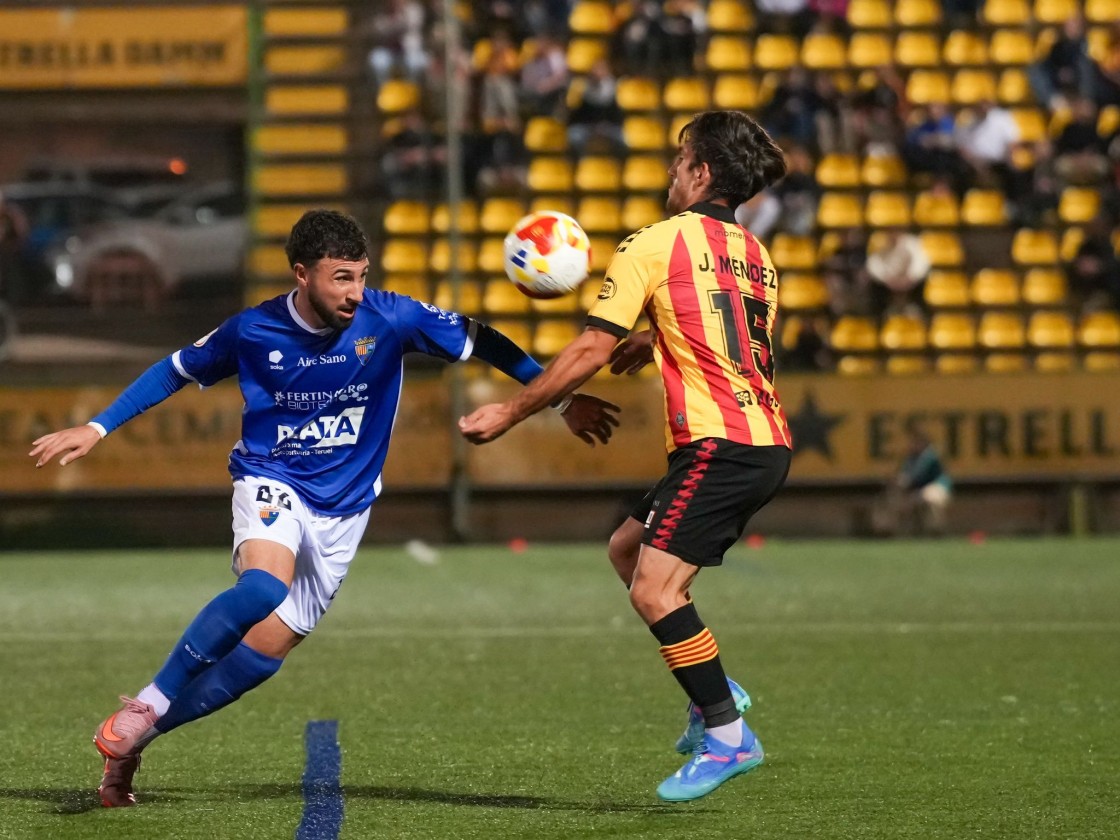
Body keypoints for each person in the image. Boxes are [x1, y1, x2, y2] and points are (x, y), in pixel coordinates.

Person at [29, 210, 619, 808]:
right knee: (262, 588)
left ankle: (135, 743)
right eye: (341, 278)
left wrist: (560, 401)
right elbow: (175, 370)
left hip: (346, 510)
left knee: (263, 657)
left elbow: (483, 340)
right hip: (271, 480)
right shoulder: (253, 330)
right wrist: (99, 427)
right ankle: (146, 703)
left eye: (361, 276)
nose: (354, 292)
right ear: (302, 274)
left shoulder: (390, 317)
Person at [460, 110, 792, 802]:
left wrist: (514, 411)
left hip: (720, 445)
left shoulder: (656, 242)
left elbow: (586, 349)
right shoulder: (756, 255)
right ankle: (713, 689)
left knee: (654, 590)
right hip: (759, 438)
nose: (673, 174)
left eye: (681, 161)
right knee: (625, 549)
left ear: (701, 172)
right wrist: (653, 341)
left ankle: (729, 735)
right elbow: (728, 335)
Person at [875, 429, 953, 537]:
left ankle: (935, 531)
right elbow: (904, 476)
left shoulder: (930, 456)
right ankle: (885, 530)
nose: (911, 444)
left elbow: (916, 476)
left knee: (930, 498)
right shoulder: (909, 457)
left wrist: (900, 481)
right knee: (891, 498)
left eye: (915, 442)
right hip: (916, 491)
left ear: (923, 442)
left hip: (936, 488)